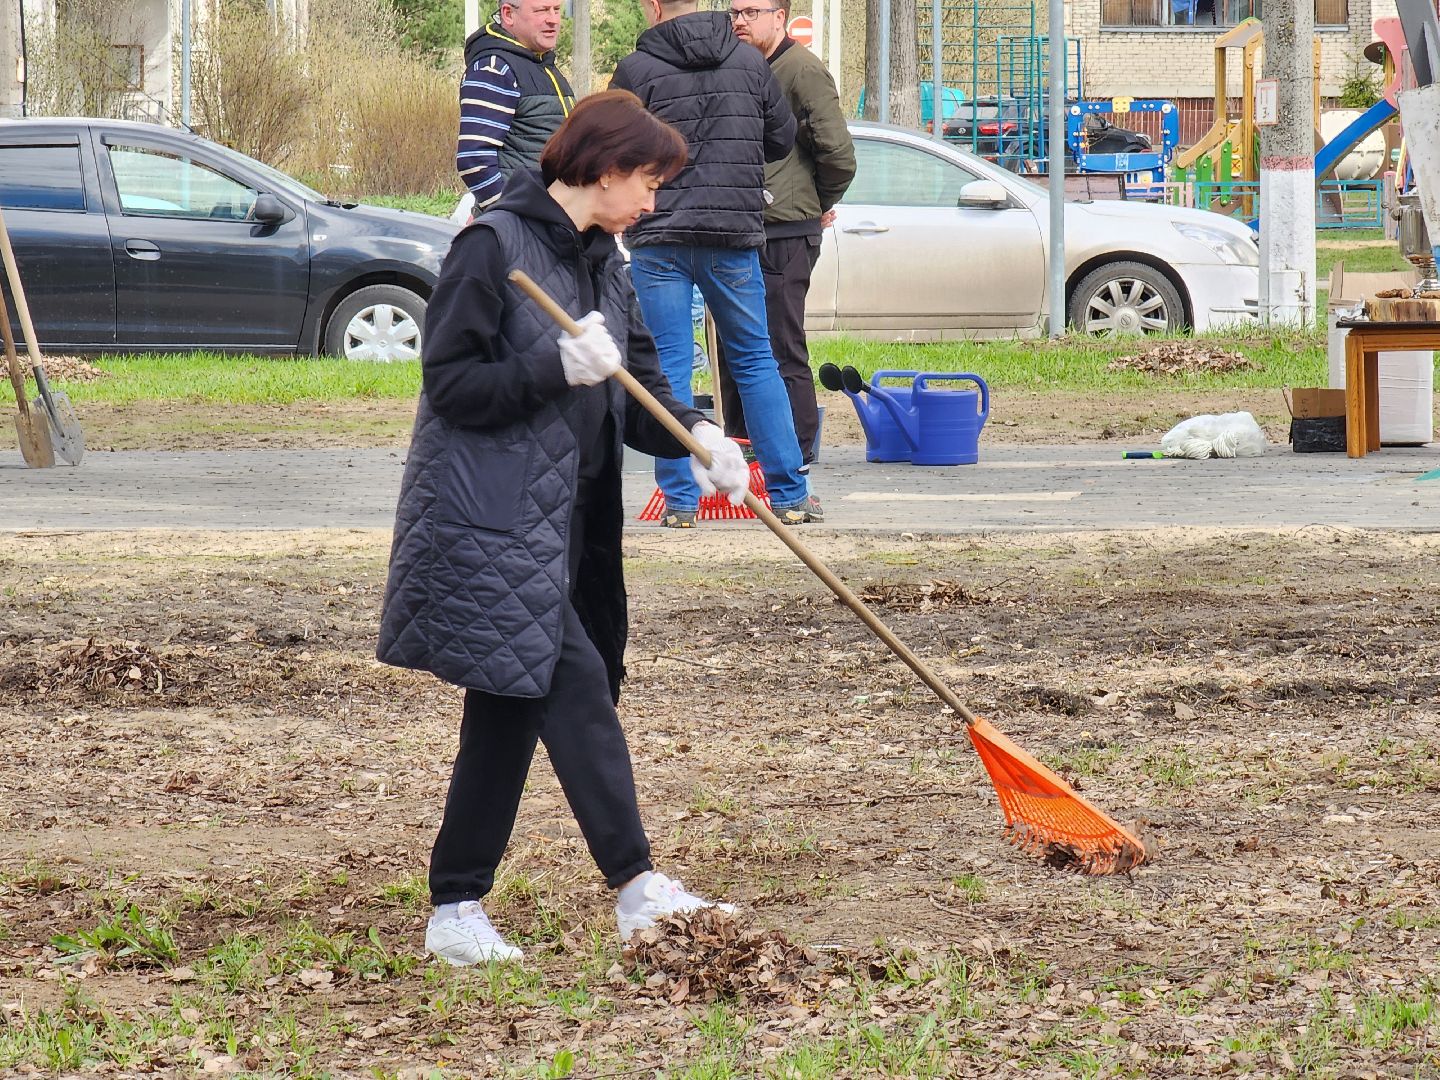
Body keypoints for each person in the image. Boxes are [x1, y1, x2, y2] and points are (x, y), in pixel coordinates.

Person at [379, 91, 752, 965]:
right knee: (574, 691)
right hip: (494, 523)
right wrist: (552, 366)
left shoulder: (602, 259)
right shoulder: (492, 245)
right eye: (650, 183)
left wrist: (697, 435)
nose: (654, 202)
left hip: (571, 526)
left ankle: (455, 909)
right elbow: (452, 387)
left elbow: (639, 382)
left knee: (509, 710)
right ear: (608, 167)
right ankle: (637, 889)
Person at [611, 0, 822, 528]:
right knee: (755, 361)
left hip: (659, 233)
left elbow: (614, 146)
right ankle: (790, 494)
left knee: (668, 370)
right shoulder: (749, 63)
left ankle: (681, 501)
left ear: (654, 7)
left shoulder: (637, 69)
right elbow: (781, 137)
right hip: (732, 232)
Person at [720, 3, 855, 476]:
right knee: (737, 344)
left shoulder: (802, 70)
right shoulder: (740, 65)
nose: (739, 20)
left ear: (779, 16)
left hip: (784, 231)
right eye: (733, 11)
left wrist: (813, 204)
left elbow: (838, 152)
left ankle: (796, 451)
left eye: (750, 11)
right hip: (743, 227)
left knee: (781, 343)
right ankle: (742, 447)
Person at [456, 0, 574, 214]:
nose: (553, 20)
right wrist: (510, 220)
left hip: (550, 223)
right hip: (525, 230)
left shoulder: (542, 65)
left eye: (557, 10)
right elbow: (474, 159)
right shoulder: (494, 68)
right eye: (541, 10)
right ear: (508, 14)